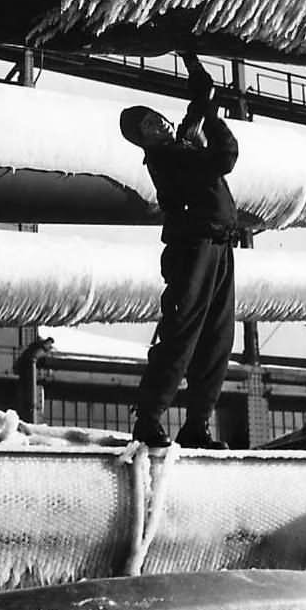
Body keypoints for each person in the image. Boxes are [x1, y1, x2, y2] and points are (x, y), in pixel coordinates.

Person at [119, 53, 239, 449]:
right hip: (194, 250)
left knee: (217, 338)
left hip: (218, 246)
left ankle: (196, 425)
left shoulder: (181, 143)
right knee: (182, 334)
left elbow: (203, 93)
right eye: (149, 126)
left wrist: (189, 58)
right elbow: (226, 155)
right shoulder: (169, 157)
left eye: (156, 117)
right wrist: (211, 118)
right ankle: (149, 420)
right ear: (145, 142)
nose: (159, 123)